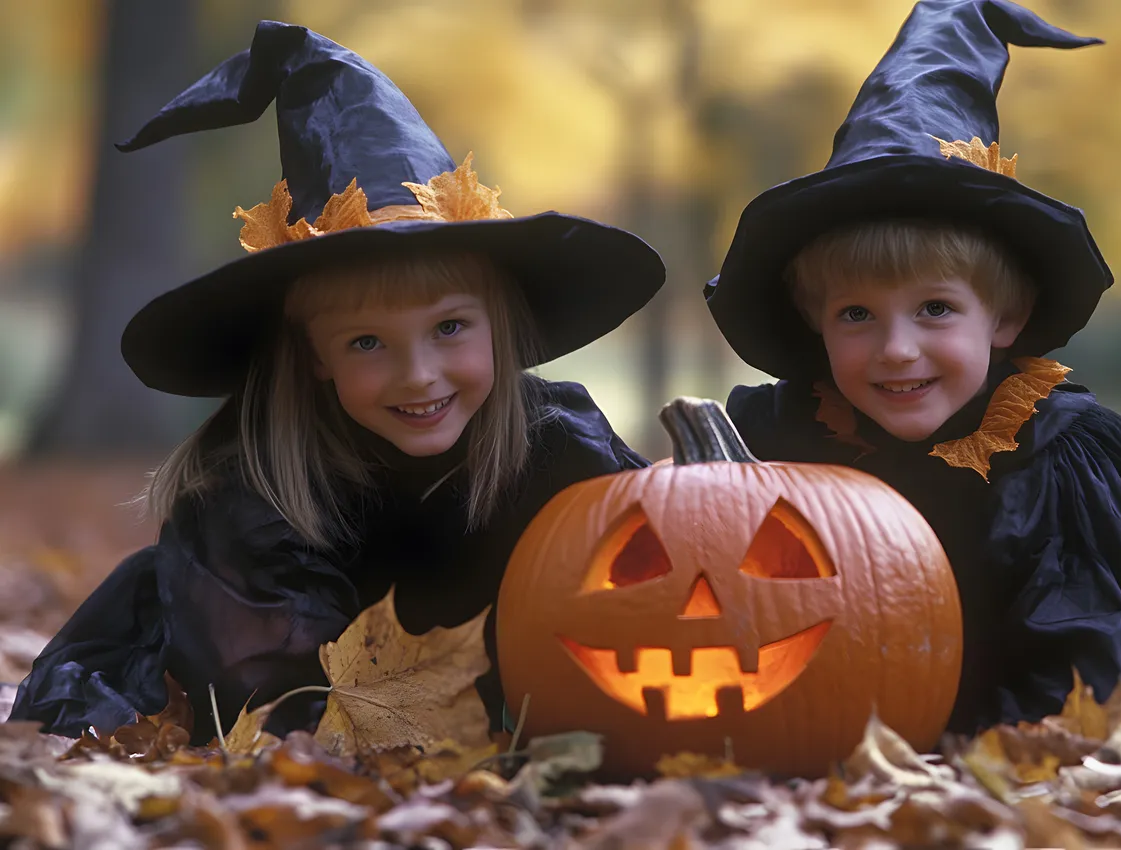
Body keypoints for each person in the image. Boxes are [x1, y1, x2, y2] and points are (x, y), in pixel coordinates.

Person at [703, 0, 1121, 765]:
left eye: (935, 309)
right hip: (830, 721)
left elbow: (1078, 662)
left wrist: (977, 753)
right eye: (856, 314)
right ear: (815, 322)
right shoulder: (778, 439)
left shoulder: (1053, 456)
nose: (896, 350)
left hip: (1011, 727)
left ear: (1005, 317)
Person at [9, 21, 664, 742]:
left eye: (450, 327)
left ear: (500, 326)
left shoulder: (560, 450)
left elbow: (667, 585)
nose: (419, 375)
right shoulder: (253, 500)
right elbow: (280, 711)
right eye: (367, 342)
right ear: (315, 356)